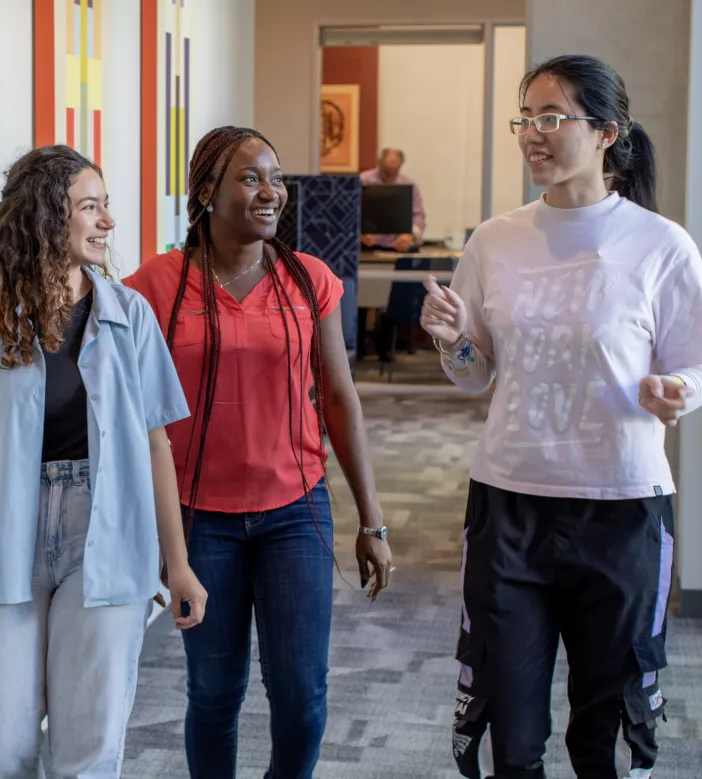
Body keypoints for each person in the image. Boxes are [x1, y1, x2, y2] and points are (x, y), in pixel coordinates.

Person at [420, 55, 702, 779]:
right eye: (525, 117)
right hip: (509, 507)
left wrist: (678, 390)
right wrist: (454, 340)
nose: (533, 132)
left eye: (552, 117)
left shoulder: (660, 245)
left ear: (605, 133)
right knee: (511, 731)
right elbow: (473, 375)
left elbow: (700, 369)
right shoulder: (494, 241)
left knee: (607, 733)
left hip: (622, 510)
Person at [0, 144, 208, 779]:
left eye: (105, 206)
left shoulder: (129, 316)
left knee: (90, 745)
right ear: (47, 217)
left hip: (105, 532)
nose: (107, 221)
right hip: (7, 535)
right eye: (90, 207)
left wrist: (179, 563)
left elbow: (157, 444)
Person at [123, 125, 394, 779]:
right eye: (251, 178)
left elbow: (339, 399)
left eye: (276, 178)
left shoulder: (310, 280)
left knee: (302, 695)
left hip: (294, 513)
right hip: (199, 521)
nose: (271, 192)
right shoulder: (157, 287)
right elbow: (130, 417)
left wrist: (372, 518)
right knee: (214, 696)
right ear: (207, 193)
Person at [360, 147, 426, 252]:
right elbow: (350, 213)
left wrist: (410, 235)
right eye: (386, 172)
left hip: (398, 246)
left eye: (394, 172)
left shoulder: (409, 184)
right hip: (366, 245)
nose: (390, 177)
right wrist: (359, 233)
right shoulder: (363, 180)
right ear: (379, 164)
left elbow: (418, 215)